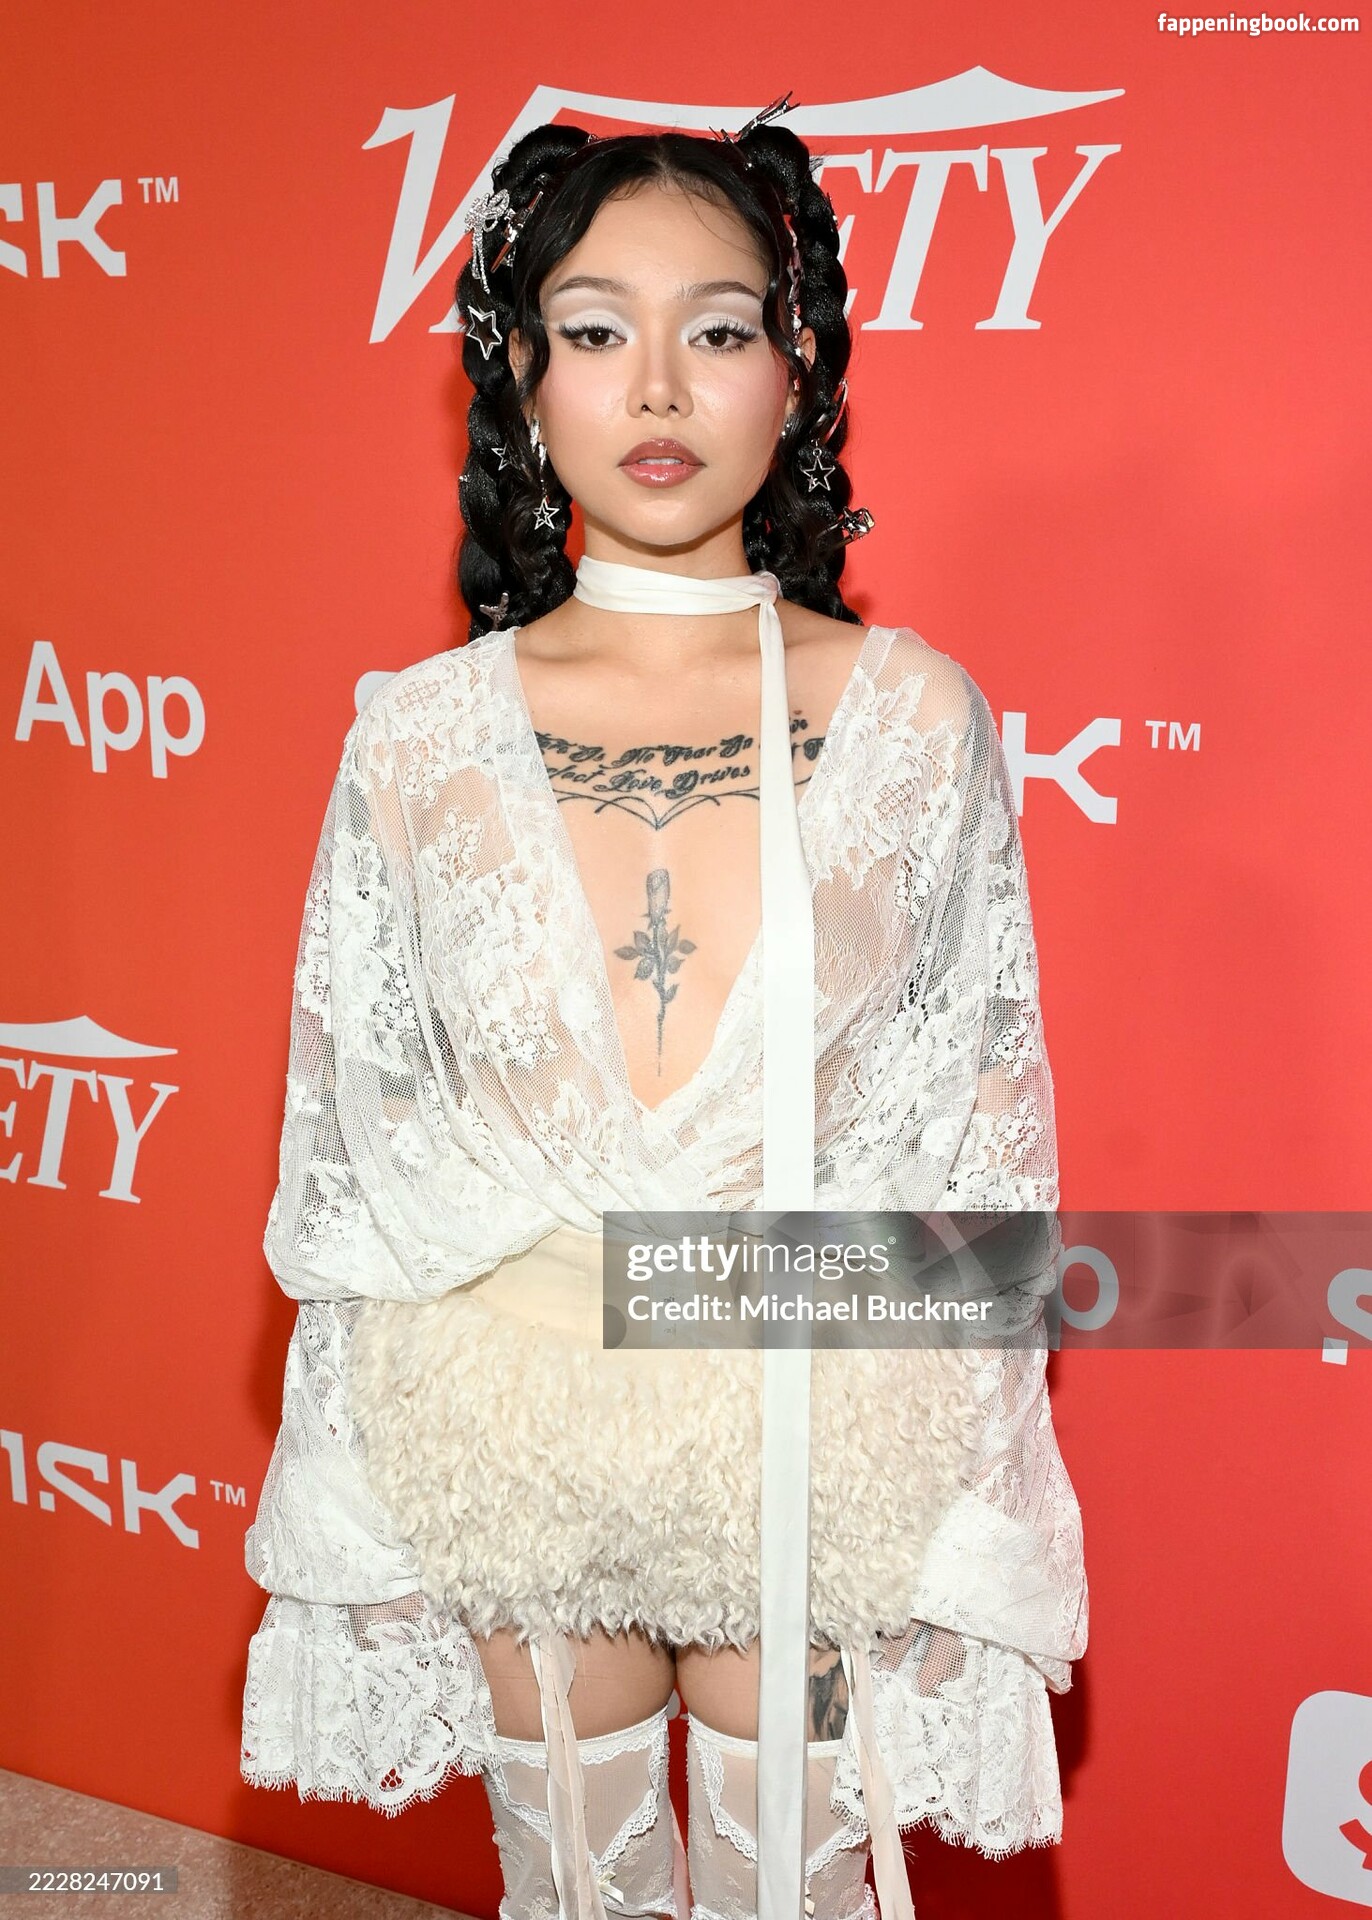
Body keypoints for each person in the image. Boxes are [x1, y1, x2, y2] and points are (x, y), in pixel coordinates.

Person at [239, 94, 1088, 1920]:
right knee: (577, 1891)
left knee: (807, 1892)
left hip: (819, 1416)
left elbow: (980, 1139)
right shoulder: (415, 736)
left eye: (714, 331)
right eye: (594, 329)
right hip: (512, 1409)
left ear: (794, 373)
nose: (655, 388)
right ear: (523, 375)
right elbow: (360, 1149)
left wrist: (971, 1475)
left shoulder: (917, 716)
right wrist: (352, 1460)